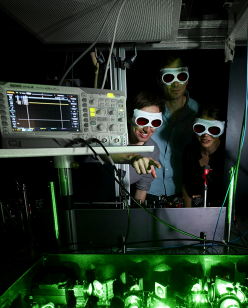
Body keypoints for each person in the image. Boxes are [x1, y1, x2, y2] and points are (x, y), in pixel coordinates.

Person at [83, 90, 163, 202]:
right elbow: (102, 153)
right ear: (130, 118)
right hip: (89, 199)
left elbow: (142, 189)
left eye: (155, 123)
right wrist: (132, 157)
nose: (147, 129)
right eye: (141, 121)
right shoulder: (110, 137)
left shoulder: (152, 149)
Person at [146, 55, 200, 203]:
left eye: (181, 76)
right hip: (149, 190)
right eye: (169, 77)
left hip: (183, 191)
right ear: (160, 81)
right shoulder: (149, 112)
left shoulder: (198, 113)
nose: (176, 83)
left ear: (187, 79)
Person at [181, 104, 226, 208]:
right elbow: (186, 183)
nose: (205, 134)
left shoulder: (227, 154)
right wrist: (189, 213)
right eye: (200, 128)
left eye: (213, 130)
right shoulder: (189, 151)